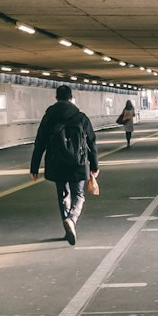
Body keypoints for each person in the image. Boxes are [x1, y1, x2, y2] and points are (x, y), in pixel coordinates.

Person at [29, 86, 98, 246]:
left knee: (63, 195)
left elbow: (40, 143)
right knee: (78, 195)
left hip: (56, 163)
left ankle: (67, 228)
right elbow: (91, 142)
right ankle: (72, 219)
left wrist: (34, 167)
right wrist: (94, 165)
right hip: (78, 163)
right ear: (71, 97)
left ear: (56, 98)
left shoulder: (49, 117)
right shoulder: (80, 117)